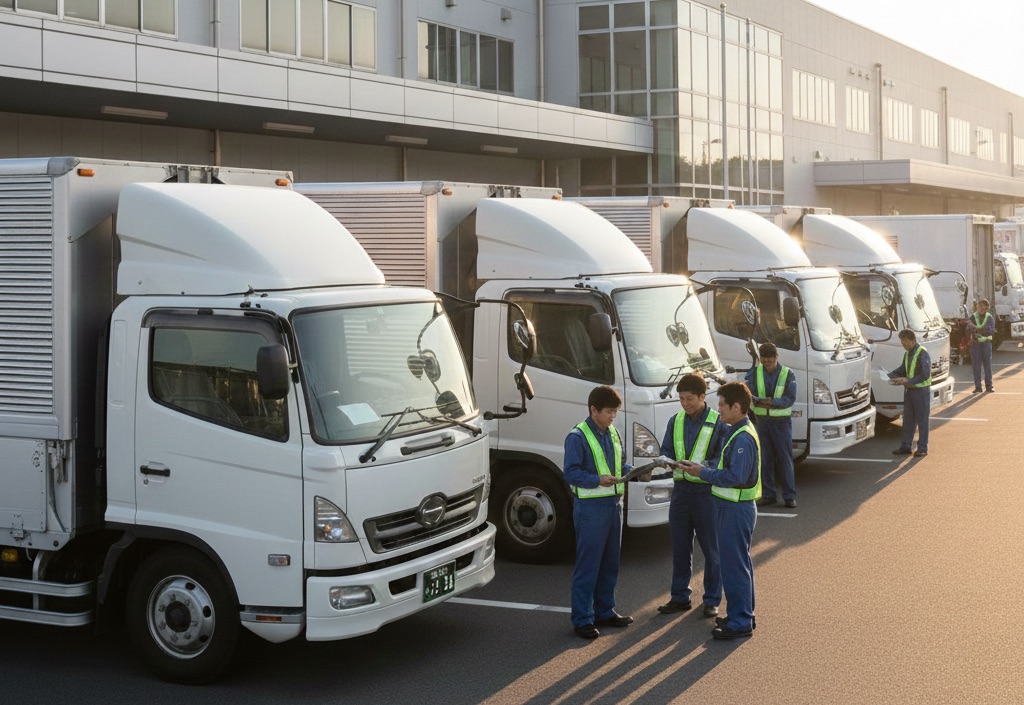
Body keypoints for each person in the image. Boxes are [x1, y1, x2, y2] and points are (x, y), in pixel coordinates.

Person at [678, 381, 761, 640]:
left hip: (735, 508)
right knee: (738, 564)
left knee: (734, 566)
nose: (719, 409)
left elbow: (735, 476)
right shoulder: (737, 431)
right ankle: (741, 614)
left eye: (723, 405)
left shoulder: (742, 437)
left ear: (737, 406)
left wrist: (703, 472)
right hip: (733, 507)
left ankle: (741, 621)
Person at [656, 374, 728, 619]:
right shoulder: (675, 420)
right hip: (681, 493)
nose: (685, 404)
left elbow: (721, 458)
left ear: (702, 397)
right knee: (679, 548)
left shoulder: (719, 422)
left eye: (689, 399)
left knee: (712, 550)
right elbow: (665, 449)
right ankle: (679, 597)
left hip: (706, 493)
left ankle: (711, 600)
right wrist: (665, 461)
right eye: (681, 399)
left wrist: (703, 467)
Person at [564, 385, 633, 639]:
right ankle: (582, 619)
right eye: (609, 412)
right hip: (591, 508)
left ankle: (605, 611)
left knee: (610, 564)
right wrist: (597, 480)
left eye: (615, 412)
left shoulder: (613, 432)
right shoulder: (577, 436)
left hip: (614, 506)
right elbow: (570, 473)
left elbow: (619, 463)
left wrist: (634, 470)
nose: (613, 416)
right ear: (593, 410)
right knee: (588, 565)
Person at [745, 343, 797, 508]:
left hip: (781, 424)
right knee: (765, 460)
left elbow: (790, 398)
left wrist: (772, 403)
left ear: (777, 357)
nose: (766, 364)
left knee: (785, 459)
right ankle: (768, 495)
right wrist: (761, 402)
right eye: (764, 361)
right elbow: (749, 393)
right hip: (761, 422)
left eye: (769, 361)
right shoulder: (754, 373)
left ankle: (789, 497)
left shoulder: (788, 373)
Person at [888, 329, 932, 457]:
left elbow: (925, 375)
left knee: (922, 420)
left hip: (921, 391)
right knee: (908, 420)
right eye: (902, 342)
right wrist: (891, 375)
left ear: (913, 341)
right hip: (909, 391)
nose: (904, 344)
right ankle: (906, 446)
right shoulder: (907, 354)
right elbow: (903, 369)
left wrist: (909, 380)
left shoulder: (922, 353)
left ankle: (923, 447)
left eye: (906, 341)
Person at [966, 298, 996, 393]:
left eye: (984, 308)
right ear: (977, 306)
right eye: (980, 307)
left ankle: (989, 386)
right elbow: (967, 331)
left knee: (987, 365)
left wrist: (981, 330)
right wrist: (971, 330)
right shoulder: (972, 317)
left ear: (987, 308)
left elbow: (992, 330)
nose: (982, 309)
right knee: (976, 366)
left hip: (986, 344)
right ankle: (978, 387)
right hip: (976, 345)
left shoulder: (989, 317)